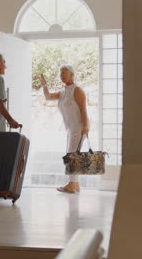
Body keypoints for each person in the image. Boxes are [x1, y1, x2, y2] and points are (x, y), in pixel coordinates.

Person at [39, 65, 89, 193]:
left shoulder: (76, 90)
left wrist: (85, 126)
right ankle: (75, 184)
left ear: (71, 74)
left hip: (78, 127)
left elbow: (83, 110)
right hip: (70, 128)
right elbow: (48, 97)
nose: (61, 74)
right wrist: (44, 85)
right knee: (72, 154)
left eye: (64, 72)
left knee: (71, 154)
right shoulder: (62, 92)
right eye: (60, 72)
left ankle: (72, 184)